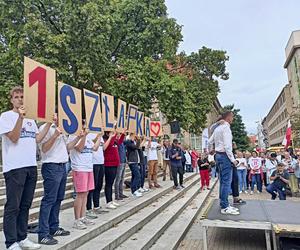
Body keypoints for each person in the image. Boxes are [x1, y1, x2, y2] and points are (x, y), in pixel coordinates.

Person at [0, 86, 54, 250]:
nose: (20, 99)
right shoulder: (6, 116)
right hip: (15, 167)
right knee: (13, 206)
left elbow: (37, 138)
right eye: (16, 97)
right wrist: (20, 118)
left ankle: (22, 237)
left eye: (23, 96)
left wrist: (48, 124)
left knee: (25, 205)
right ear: (11, 100)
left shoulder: (30, 119)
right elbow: (14, 138)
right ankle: (11, 242)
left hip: (30, 166)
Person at [38, 114, 70, 245]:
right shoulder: (45, 128)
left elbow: (68, 148)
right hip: (51, 166)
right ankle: (43, 233)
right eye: (56, 114)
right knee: (49, 199)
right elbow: (44, 149)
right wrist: (55, 135)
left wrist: (79, 137)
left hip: (62, 165)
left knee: (58, 198)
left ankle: (54, 227)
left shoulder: (63, 129)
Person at [67, 127, 102, 230]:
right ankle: (77, 220)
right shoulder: (73, 136)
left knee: (86, 193)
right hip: (79, 168)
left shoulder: (89, 137)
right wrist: (83, 136)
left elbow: (94, 148)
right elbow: (80, 148)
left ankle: (82, 217)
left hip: (88, 167)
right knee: (80, 194)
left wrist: (99, 136)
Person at [208, 111, 239, 215]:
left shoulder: (217, 128)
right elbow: (227, 146)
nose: (233, 119)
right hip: (225, 156)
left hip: (218, 156)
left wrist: (212, 149)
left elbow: (209, 141)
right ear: (229, 117)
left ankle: (223, 203)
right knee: (226, 182)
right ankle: (225, 206)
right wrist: (233, 160)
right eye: (232, 117)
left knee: (222, 181)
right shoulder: (226, 127)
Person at [86, 131, 109, 220]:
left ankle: (96, 205)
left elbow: (103, 148)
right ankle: (88, 208)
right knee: (91, 187)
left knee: (99, 186)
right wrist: (98, 136)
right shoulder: (89, 134)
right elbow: (93, 145)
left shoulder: (100, 134)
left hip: (101, 161)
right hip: (93, 162)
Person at [103, 130, 125, 209]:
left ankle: (111, 200)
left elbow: (119, 142)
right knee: (108, 184)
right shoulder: (107, 141)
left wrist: (123, 133)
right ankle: (108, 201)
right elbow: (109, 145)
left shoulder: (114, 141)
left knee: (111, 183)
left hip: (115, 164)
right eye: (111, 132)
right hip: (109, 164)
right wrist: (113, 136)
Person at [125, 133, 143, 197]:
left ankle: (134, 190)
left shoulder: (133, 142)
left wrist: (138, 140)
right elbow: (135, 147)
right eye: (133, 136)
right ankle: (134, 190)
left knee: (134, 176)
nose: (135, 137)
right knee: (137, 175)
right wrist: (138, 140)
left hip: (135, 161)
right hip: (131, 161)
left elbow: (138, 147)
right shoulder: (128, 142)